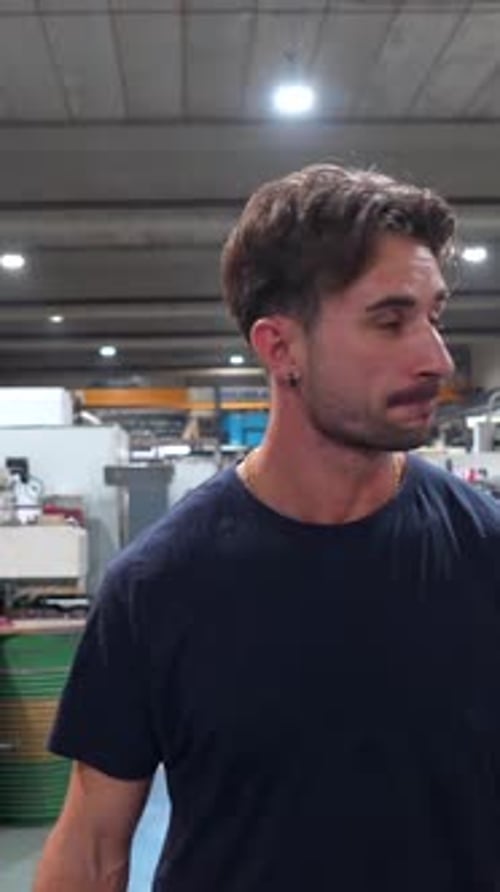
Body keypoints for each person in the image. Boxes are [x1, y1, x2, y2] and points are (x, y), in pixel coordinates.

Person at [34, 164, 500, 892]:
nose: (436, 358)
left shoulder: (485, 553)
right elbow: (92, 849)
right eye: (390, 320)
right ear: (280, 348)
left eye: (434, 315)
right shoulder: (158, 587)